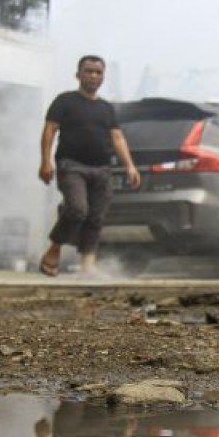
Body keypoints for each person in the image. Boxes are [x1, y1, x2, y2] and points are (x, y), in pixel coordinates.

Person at [38, 55, 141, 276]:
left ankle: (88, 265)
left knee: (96, 217)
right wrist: (45, 161)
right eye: (89, 71)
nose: (93, 76)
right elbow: (49, 131)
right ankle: (54, 250)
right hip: (71, 165)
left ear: (103, 77)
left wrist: (130, 166)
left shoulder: (106, 108)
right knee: (76, 210)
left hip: (102, 169)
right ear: (78, 74)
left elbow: (117, 138)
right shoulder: (64, 101)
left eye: (98, 72)